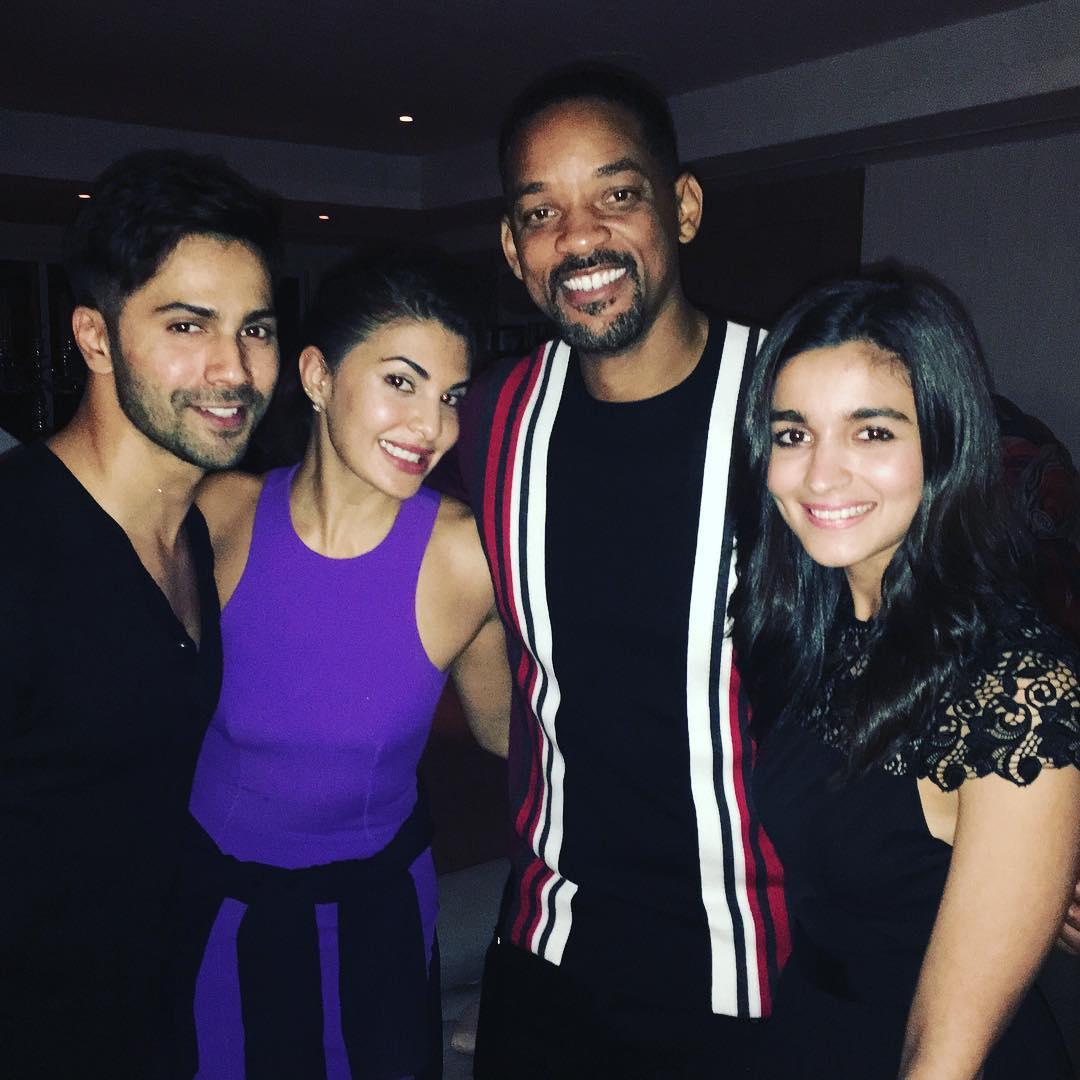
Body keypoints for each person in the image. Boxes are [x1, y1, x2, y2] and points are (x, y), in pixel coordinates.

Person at [447, 64, 785, 1078]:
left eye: (617, 194)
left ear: (682, 208)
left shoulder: (791, 405)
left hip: (754, 971)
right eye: (540, 213)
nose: (579, 238)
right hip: (546, 950)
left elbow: (943, 623)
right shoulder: (491, 419)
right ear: (512, 248)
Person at [731, 273, 1080, 1078]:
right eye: (793, 434)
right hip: (809, 1033)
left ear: (946, 444)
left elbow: (945, 1057)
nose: (820, 475)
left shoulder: (1014, 691)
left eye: (872, 432)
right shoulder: (812, 629)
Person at [177, 254, 510, 1079]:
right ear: (318, 377)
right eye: (401, 382)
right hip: (215, 903)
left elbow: (511, 735)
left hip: (375, 914)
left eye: (451, 397)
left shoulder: (465, 556)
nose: (431, 427)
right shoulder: (219, 511)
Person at [0, 149, 280, 1078]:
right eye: (187, 325)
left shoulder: (192, 533)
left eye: (255, 328)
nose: (232, 368)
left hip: (156, 1027)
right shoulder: (18, 547)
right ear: (94, 336)